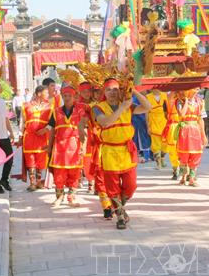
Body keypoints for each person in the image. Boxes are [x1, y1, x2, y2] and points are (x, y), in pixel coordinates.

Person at [94, 78, 151, 229]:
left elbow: (148, 106)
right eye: (108, 90)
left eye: (115, 89)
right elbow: (105, 122)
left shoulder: (127, 105)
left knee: (131, 185)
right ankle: (120, 215)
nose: (112, 93)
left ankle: (119, 207)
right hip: (109, 151)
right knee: (112, 187)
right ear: (103, 92)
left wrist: (134, 91)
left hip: (126, 150)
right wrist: (123, 107)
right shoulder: (98, 108)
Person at [46, 84, 88, 208]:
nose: (67, 97)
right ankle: (59, 197)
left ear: (74, 96)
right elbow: (52, 130)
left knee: (74, 173)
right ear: (62, 97)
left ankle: (71, 197)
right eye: (65, 95)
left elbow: (85, 129)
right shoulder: (56, 111)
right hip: (59, 148)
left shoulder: (80, 111)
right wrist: (49, 147)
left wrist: (84, 147)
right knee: (59, 173)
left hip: (75, 147)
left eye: (70, 95)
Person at [88, 86, 112, 218]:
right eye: (96, 91)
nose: (98, 94)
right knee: (101, 178)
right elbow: (83, 120)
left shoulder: (116, 106)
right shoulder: (91, 107)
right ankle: (106, 207)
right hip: (100, 148)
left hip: (115, 148)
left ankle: (116, 204)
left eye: (100, 91)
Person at [21, 85, 51, 192]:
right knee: (30, 160)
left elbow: (52, 122)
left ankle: (39, 182)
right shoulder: (25, 106)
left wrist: (45, 129)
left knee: (41, 160)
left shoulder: (49, 106)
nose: (48, 94)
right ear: (39, 94)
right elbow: (23, 122)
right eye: (46, 92)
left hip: (43, 137)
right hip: (29, 136)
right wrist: (20, 135)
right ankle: (32, 183)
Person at [175, 88, 206, 186]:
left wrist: (203, 135)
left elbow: (201, 120)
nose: (196, 91)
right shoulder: (179, 101)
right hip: (185, 130)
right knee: (184, 154)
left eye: (197, 89)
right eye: (194, 89)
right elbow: (181, 114)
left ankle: (192, 178)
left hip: (195, 130)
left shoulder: (200, 102)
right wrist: (187, 101)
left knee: (196, 154)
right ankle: (184, 176)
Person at [147, 89, 168, 170]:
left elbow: (168, 110)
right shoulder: (148, 97)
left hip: (164, 122)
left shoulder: (165, 95)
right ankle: (158, 163)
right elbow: (147, 112)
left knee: (165, 144)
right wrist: (147, 125)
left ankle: (162, 158)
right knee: (155, 145)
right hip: (153, 122)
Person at [162, 92, 181, 180]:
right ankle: (176, 169)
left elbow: (165, 115)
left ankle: (182, 170)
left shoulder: (185, 100)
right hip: (174, 127)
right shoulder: (167, 101)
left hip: (182, 126)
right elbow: (166, 115)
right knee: (173, 150)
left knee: (182, 150)